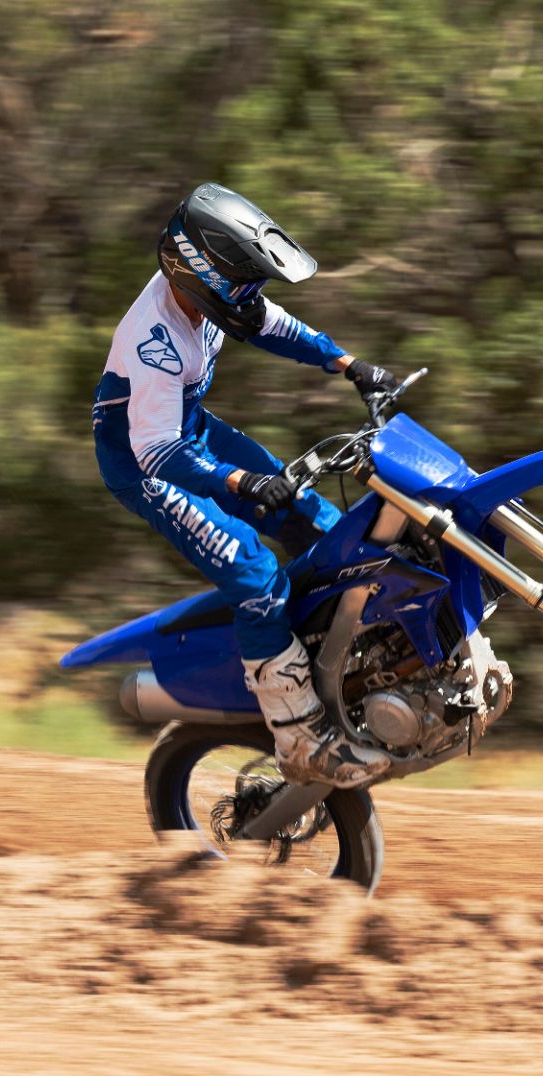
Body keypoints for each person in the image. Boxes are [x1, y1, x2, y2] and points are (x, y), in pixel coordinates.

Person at [91, 182, 402, 789]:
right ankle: (297, 736)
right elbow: (155, 449)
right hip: (145, 461)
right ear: (199, 275)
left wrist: (349, 365)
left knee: (315, 519)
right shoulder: (155, 339)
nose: (250, 297)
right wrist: (242, 481)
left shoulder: (203, 301)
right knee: (253, 571)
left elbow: (268, 324)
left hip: (189, 427)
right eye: (241, 285)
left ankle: (341, 660)